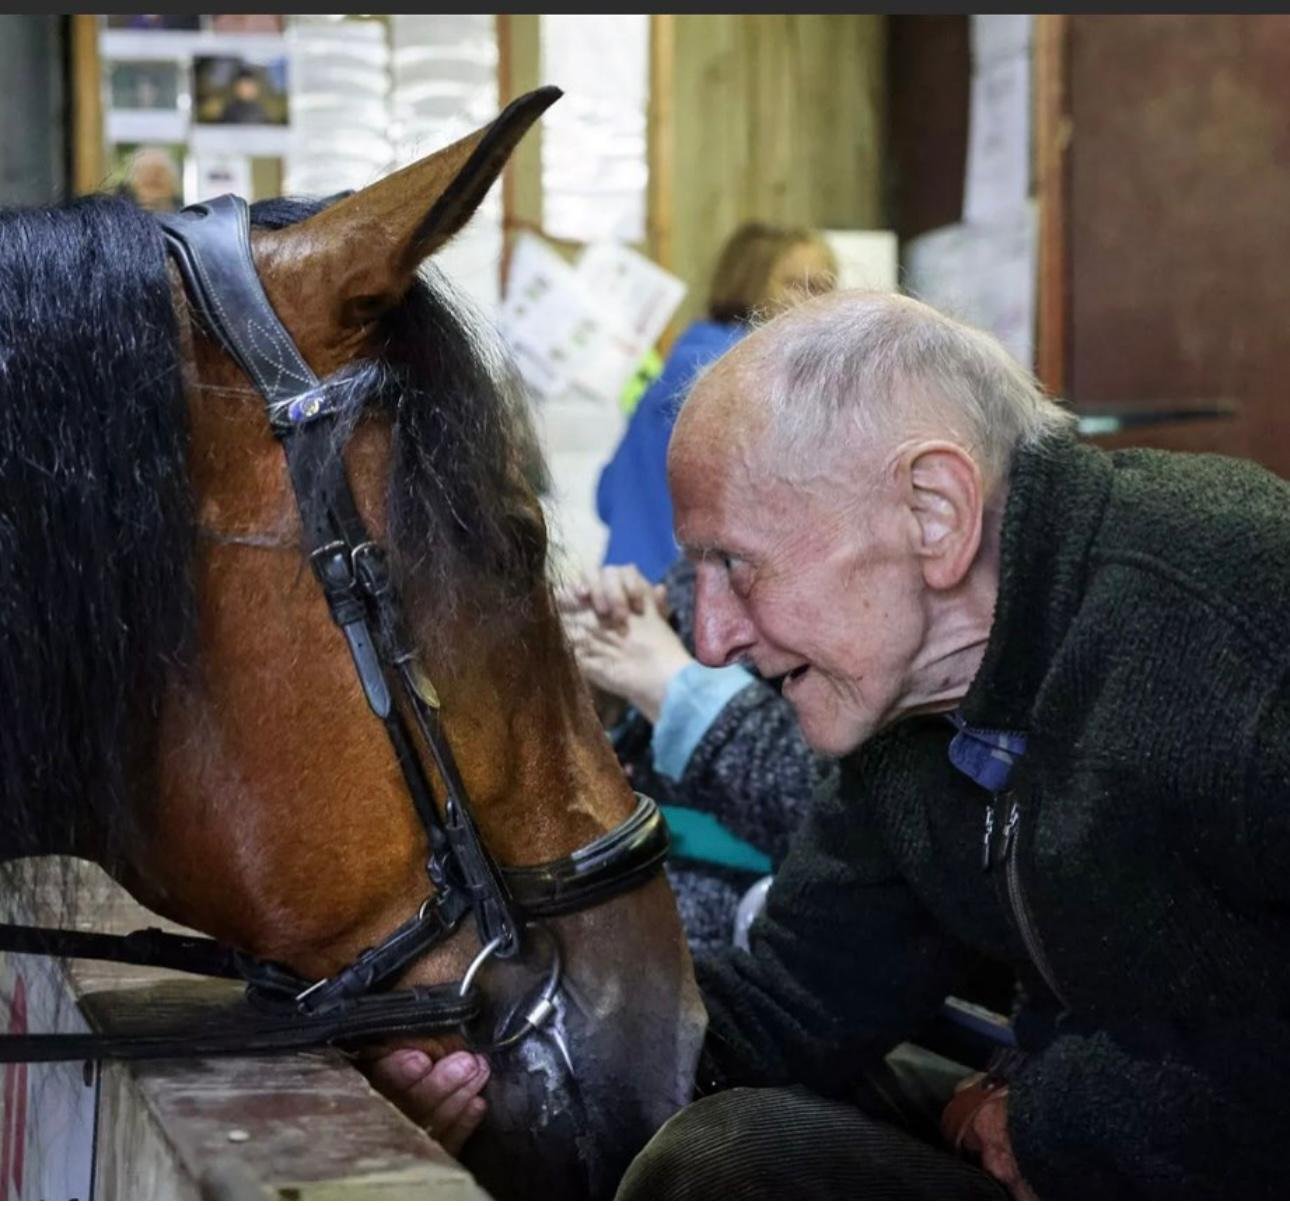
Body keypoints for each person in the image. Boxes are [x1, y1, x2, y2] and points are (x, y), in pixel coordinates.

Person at [372, 289, 1290, 1198]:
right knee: (736, 1148)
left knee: (721, 1165)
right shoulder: (909, 716)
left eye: (734, 562)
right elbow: (787, 1010)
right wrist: (491, 1060)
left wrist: (1059, 1121)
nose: (712, 638)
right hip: (1074, 1142)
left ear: (934, 512)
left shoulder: (1236, 604)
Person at [558, 558, 837, 954]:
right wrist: (605, 716)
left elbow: (864, 829)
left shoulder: (857, 624)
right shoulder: (676, 603)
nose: (716, 639)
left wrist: (677, 692)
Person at [596, 222, 837, 582]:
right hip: (680, 597)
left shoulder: (686, 358)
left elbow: (605, 495)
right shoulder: (745, 372)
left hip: (631, 588)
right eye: (796, 285)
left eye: (825, 287)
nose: (815, 302)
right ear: (748, 285)